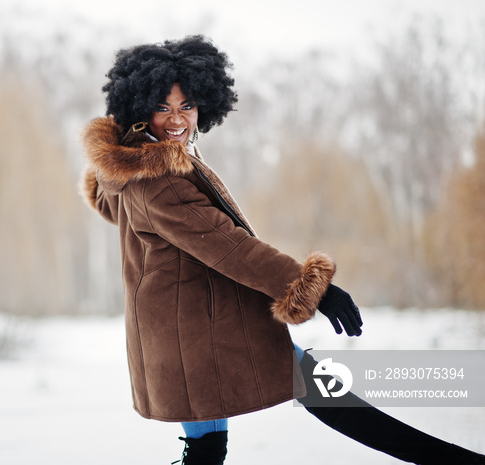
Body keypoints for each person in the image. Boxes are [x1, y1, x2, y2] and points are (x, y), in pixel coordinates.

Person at [80, 35, 485, 465]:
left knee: (208, 449)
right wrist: (313, 288)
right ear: (140, 109)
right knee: (323, 394)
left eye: (187, 106)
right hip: (200, 333)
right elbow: (231, 247)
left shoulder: (135, 171)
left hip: (180, 334)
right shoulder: (161, 179)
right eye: (163, 107)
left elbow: (114, 206)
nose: (178, 119)